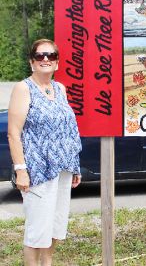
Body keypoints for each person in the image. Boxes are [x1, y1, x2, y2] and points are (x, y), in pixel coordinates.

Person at [7, 39, 82, 265]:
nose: (46, 60)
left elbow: (68, 130)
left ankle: (47, 263)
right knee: (37, 231)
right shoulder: (23, 88)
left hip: (63, 168)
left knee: (56, 226)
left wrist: (75, 165)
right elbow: (13, 132)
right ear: (32, 62)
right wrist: (21, 170)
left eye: (50, 56)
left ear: (57, 63)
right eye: (40, 56)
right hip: (37, 170)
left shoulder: (60, 89)